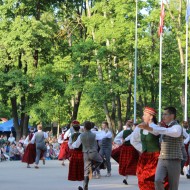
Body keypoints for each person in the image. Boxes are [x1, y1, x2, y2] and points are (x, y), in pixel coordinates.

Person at [138, 107, 183, 190]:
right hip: (162, 159)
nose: (163, 116)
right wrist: (148, 128)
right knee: (158, 180)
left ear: (172, 116)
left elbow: (171, 132)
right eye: (163, 114)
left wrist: (151, 128)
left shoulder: (177, 127)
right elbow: (156, 131)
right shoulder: (163, 127)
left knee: (173, 186)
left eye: (165, 114)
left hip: (174, 159)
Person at [130, 107, 161, 190]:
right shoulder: (139, 127)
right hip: (144, 157)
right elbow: (133, 140)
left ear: (151, 117)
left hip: (155, 157)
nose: (143, 116)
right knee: (141, 178)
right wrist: (143, 149)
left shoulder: (156, 127)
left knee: (150, 178)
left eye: (145, 115)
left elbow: (162, 141)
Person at [72, 121, 103, 190]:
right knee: (100, 160)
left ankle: (85, 186)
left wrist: (72, 145)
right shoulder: (94, 134)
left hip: (85, 153)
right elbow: (101, 137)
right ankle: (92, 169)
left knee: (86, 171)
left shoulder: (81, 135)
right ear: (91, 127)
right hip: (93, 152)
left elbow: (76, 145)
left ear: (85, 127)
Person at [114, 120, 139, 185]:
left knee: (126, 163)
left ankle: (126, 178)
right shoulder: (134, 132)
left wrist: (121, 142)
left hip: (125, 149)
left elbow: (116, 139)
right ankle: (138, 178)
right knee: (134, 163)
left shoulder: (123, 132)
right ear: (132, 125)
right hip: (132, 148)